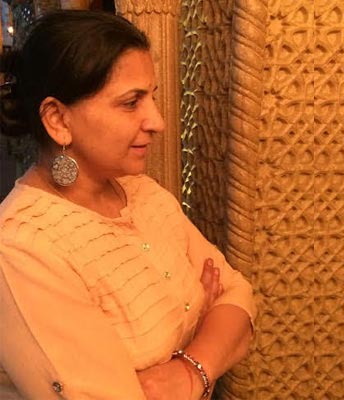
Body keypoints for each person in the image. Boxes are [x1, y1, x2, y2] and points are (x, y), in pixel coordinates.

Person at [0, 10, 256, 400]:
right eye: (131, 102)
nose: (157, 121)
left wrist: (188, 370)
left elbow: (238, 295)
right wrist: (204, 324)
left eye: (151, 96)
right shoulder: (22, 247)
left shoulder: (145, 194)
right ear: (58, 120)